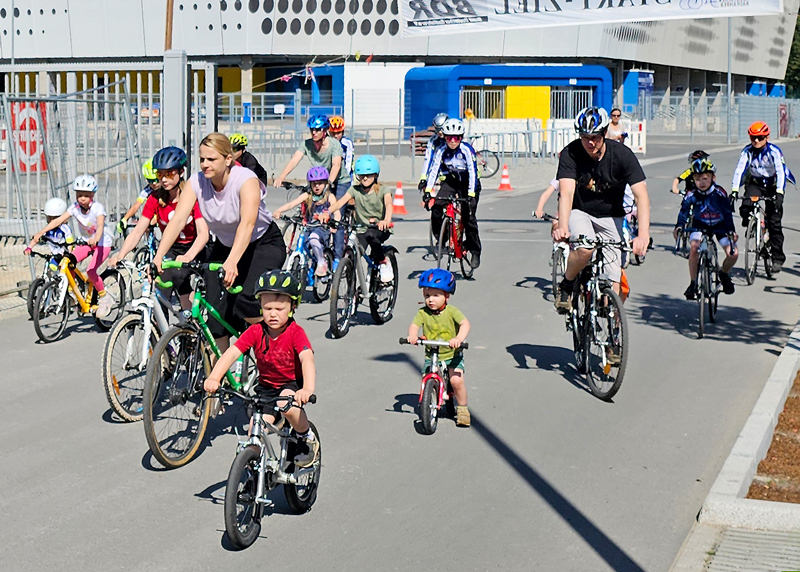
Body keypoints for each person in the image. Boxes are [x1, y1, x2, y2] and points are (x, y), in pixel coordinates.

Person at [154, 134, 286, 350]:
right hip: (225, 246)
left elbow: (247, 224)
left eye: (211, 159)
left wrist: (233, 261)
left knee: (246, 298)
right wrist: (159, 255)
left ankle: (272, 350)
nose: (205, 165)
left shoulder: (246, 180)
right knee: (215, 311)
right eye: (202, 159)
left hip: (262, 243)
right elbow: (178, 219)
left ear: (228, 159)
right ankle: (221, 373)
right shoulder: (197, 182)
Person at [203, 269, 318, 467]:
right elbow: (231, 353)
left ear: (292, 307)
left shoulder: (295, 333)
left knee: (286, 406)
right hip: (265, 386)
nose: (273, 314)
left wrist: (307, 389)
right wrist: (215, 377)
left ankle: (306, 437)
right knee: (255, 431)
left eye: (279, 309)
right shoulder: (256, 331)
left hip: (289, 383)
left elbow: (307, 359)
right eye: (267, 308)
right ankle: (252, 474)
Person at [553, 106, 650, 317]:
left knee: (614, 276)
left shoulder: (622, 155)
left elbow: (641, 195)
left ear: (604, 133)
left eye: (595, 137)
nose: (590, 142)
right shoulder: (571, 153)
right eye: (585, 137)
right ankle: (567, 285)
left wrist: (643, 235)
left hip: (612, 215)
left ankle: (614, 334)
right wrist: (562, 226)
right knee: (585, 248)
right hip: (581, 211)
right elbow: (567, 193)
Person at [109, 146, 209, 309]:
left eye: (169, 174)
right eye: (159, 174)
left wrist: (188, 256)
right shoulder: (155, 198)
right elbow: (138, 231)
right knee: (159, 285)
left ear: (181, 172)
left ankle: (189, 327)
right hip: (170, 248)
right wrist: (120, 255)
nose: (163, 179)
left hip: (194, 249)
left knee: (180, 278)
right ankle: (159, 328)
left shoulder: (192, 196)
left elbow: (203, 234)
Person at [27, 174, 116, 318]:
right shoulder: (74, 207)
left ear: (92, 195)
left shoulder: (97, 208)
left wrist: (96, 238)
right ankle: (72, 293)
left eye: (86, 195)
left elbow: (100, 225)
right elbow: (58, 221)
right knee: (67, 262)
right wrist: (40, 232)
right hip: (85, 243)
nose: (82, 198)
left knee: (91, 271)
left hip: (101, 243)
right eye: (79, 194)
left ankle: (105, 297)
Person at [274, 115, 350, 262]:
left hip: (339, 181)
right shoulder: (307, 144)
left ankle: (337, 259)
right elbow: (294, 160)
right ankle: (318, 249)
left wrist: (329, 183)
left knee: (336, 215)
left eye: (317, 129)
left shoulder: (334, 144)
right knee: (311, 211)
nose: (314, 132)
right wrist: (281, 177)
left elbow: (336, 165)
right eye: (311, 130)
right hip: (319, 180)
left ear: (325, 131)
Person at [406, 268, 471, 427]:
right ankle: (431, 396)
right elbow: (414, 325)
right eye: (427, 295)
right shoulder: (423, 313)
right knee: (426, 377)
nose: (431, 300)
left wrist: (458, 338)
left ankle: (462, 409)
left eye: (436, 295)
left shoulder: (451, 312)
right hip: (432, 355)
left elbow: (465, 324)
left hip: (452, 354)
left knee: (456, 381)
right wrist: (413, 335)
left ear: (446, 296)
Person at [731, 121, 795, 274]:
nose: (756, 141)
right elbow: (739, 170)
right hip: (756, 183)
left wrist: (780, 192)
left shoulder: (774, 151)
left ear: (767, 137)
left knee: (775, 222)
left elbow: (780, 172)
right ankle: (753, 224)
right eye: (753, 138)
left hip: (773, 184)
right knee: (745, 206)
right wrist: (734, 190)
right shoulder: (747, 151)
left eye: (760, 137)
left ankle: (778, 257)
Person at [673, 157, 738, 299]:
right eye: (697, 179)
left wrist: (731, 231)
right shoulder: (691, 194)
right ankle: (693, 282)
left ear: (712, 178)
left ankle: (723, 273)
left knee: (733, 254)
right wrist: (679, 227)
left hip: (719, 226)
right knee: (694, 248)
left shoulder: (720, 193)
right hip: (699, 225)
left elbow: (727, 214)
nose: (701, 183)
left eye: (704, 178)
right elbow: (683, 212)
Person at [322, 155, 394, 282]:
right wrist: (328, 212)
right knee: (351, 255)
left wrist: (386, 220)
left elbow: (388, 204)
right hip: (361, 230)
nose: (365, 178)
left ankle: (384, 263)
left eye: (369, 175)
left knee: (372, 236)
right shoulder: (354, 190)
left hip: (379, 228)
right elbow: (340, 203)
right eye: (361, 175)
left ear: (376, 175)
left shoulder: (383, 190)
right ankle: (351, 293)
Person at [424, 117, 482, 269]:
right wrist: (428, 191)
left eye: (456, 137)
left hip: (469, 182)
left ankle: (475, 251)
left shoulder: (466, 150)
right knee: (436, 207)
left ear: (461, 138)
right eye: (449, 137)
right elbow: (434, 169)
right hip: (453, 180)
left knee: (468, 217)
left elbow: (473, 172)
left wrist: (470, 195)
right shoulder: (441, 150)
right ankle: (441, 239)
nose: (453, 141)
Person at [273, 166, 339, 277]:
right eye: (314, 183)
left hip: (321, 229)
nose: (317, 186)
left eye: (320, 183)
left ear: (326, 184)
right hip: (308, 227)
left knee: (313, 239)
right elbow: (291, 204)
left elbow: (337, 212)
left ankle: (322, 262)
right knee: (301, 243)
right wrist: (279, 211)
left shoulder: (329, 197)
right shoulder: (307, 196)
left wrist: (335, 222)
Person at [117, 159, 162, 234]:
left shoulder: (167, 188)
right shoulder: (148, 190)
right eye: (150, 181)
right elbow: (135, 206)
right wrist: (125, 219)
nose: (154, 183)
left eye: (156, 180)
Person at [417, 112, 448, 193]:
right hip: (439, 174)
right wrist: (423, 178)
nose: (440, 133)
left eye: (441, 129)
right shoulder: (433, 141)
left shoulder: (453, 140)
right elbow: (428, 160)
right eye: (437, 130)